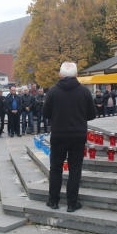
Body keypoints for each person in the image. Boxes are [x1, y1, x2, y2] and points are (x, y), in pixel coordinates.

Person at [42, 62, 96, 212]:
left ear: (60, 75)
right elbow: (92, 115)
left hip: (58, 135)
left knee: (56, 168)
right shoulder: (84, 91)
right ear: (76, 75)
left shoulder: (52, 91)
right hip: (78, 135)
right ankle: (72, 203)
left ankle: (53, 201)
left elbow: (45, 113)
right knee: (75, 169)